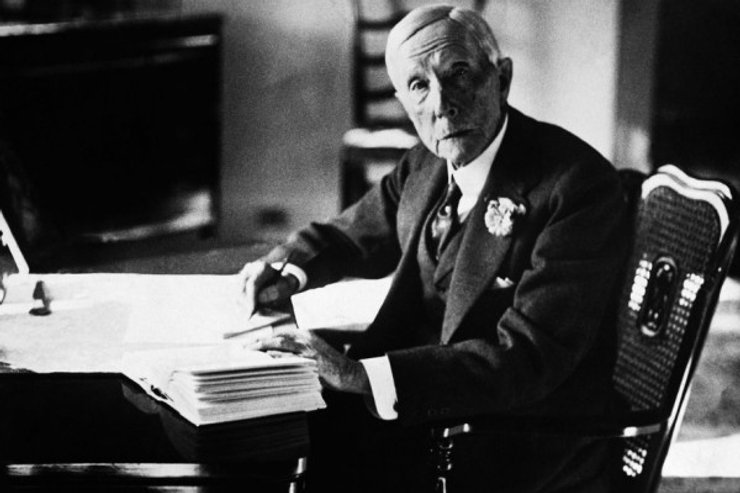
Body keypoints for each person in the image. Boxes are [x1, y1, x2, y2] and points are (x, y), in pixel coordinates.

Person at [239, 5, 627, 492]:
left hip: (506, 438)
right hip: (421, 409)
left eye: (458, 73)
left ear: (501, 79)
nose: (442, 105)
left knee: (287, 456)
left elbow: (526, 357)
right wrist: (285, 267)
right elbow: (351, 234)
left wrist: (360, 375)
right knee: (255, 433)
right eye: (419, 85)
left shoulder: (577, 188)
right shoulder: (426, 162)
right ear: (404, 101)